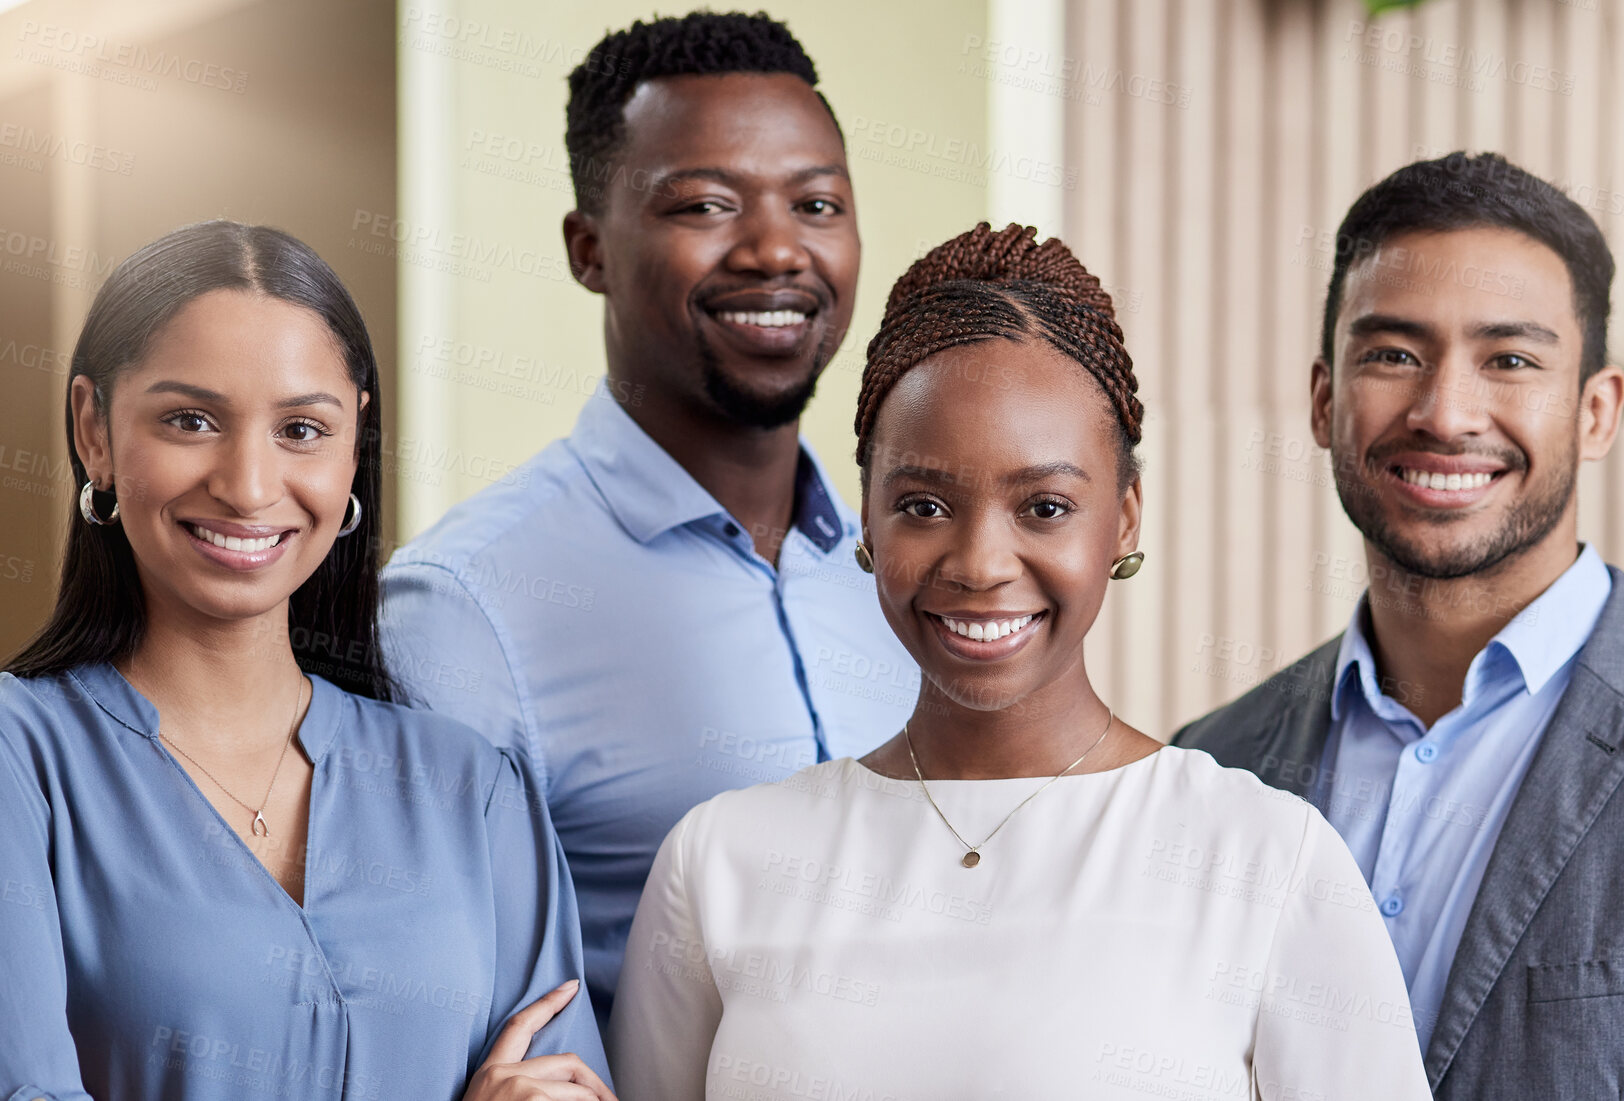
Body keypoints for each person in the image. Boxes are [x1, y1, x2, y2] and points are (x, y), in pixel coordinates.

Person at [603, 223, 1430, 1100]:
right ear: (867, 523)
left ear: (1124, 516)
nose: (980, 563)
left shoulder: (1265, 860)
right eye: (923, 503)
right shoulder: (721, 863)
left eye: (1043, 505)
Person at [1175, 152, 1624, 1098]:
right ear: (1324, 400)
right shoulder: (1214, 764)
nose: (1444, 413)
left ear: (1596, 412)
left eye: (1510, 360)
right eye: (1394, 355)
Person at [380, 11, 914, 1030]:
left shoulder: (905, 568)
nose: (774, 249)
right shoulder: (464, 608)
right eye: (705, 205)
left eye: (816, 203)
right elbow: (434, 1005)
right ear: (589, 249)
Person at [0, 221, 611, 1101]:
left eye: (300, 428)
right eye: (190, 419)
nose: (249, 485)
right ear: (93, 428)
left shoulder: (475, 791)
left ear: (354, 443)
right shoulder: (23, 762)